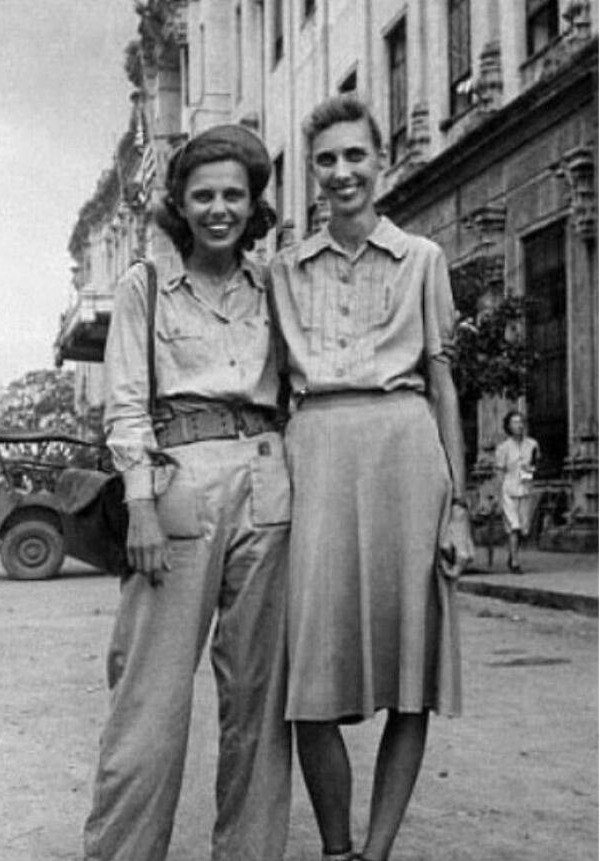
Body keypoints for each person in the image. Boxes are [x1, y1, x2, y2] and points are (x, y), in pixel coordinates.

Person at [268, 93, 474, 861]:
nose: (342, 170)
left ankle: (377, 851)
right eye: (327, 158)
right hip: (315, 463)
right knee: (308, 685)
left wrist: (457, 507)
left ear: (379, 161)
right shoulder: (282, 273)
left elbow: (444, 383)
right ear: (311, 173)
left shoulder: (424, 259)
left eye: (356, 154)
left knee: (409, 673)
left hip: (406, 458)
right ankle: (335, 848)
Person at [83, 124, 292, 861]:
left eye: (234, 194)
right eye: (203, 195)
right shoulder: (146, 285)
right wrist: (138, 499)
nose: (219, 209)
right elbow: (127, 402)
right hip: (177, 481)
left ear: (254, 202)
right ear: (180, 202)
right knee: (150, 694)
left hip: (268, 478)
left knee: (260, 700)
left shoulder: (275, 283)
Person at [495, 410, 540, 574]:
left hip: (525, 489)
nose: (519, 425)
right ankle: (515, 562)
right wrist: (498, 495)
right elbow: (500, 471)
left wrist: (529, 473)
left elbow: (534, 465)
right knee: (513, 526)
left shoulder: (532, 444)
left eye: (521, 422)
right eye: (515, 422)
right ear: (508, 426)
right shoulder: (503, 448)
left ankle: (512, 553)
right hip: (508, 490)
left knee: (523, 528)